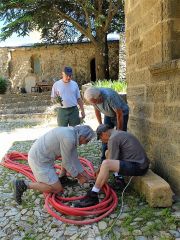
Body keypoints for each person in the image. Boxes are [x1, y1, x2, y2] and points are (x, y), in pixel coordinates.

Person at [12, 125, 95, 204]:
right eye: (87, 140)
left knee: (67, 157)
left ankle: (62, 178)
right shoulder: (69, 139)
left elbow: (74, 158)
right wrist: (79, 177)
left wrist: (86, 175)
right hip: (39, 161)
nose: (86, 143)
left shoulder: (71, 133)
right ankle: (23, 185)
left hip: (43, 158)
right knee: (57, 189)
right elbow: (67, 162)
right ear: (83, 136)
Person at [75, 124, 149, 207]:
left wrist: (99, 174)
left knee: (106, 164)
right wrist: (99, 170)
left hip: (139, 167)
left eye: (101, 138)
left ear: (104, 133)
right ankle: (119, 179)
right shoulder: (117, 133)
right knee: (107, 152)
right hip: (139, 163)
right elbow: (110, 155)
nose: (102, 141)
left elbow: (110, 162)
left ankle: (93, 194)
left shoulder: (113, 138)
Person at [84, 86, 129, 183]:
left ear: (99, 97)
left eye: (94, 102)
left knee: (118, 141)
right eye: (92, 102)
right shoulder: (93, 98)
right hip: (109, 114)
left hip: (121, 113)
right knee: (104, 139)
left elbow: (119, 114)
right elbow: (97, 110)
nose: (94, 104)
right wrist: (101, 126)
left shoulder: (109, 97)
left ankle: (119, 171)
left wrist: (118, 133)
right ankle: (104, 163)